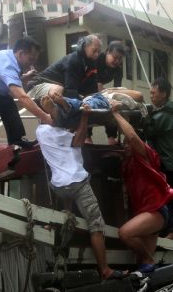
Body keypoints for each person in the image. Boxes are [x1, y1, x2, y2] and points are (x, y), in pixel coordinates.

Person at [35, 101, 126, 280]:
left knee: (66, 216)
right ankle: (105, 270)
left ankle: (60, 255)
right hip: (76, 182)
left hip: (59, 187)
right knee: (96, 225)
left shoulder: (40, 132)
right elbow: (78, 141)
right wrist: (84, 117)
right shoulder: (58, 133)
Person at [111, 103, 173, 273]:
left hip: (156, 210)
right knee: (143, 266)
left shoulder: (145, 155)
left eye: (127, 144)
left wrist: (116, 114)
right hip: (145, 211)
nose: (125, 146)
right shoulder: (128, 162)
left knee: (125, 234)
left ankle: (149, 259)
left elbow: (131, 137)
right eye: (123, 145)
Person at [143, 77, 173, 242]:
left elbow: (148, 131)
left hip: (169, 164)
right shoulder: (165, 112)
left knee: (164, 196)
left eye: (154, 93)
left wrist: (143, 116)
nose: (151, 96)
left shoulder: (163, 115)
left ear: (164, 94)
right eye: (150, 93)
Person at [27, 34, 102, 100]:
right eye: (94, 50)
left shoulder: (90, 65)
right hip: (36, 87)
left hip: (55, 88)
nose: (96, 55)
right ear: (84, 47)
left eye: (99, 52)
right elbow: (70, 91)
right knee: (58, 91)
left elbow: (92, 89)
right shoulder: (74, 60)